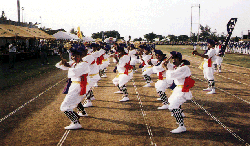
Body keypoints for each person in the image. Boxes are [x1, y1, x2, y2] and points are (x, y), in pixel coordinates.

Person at [55, 47, 90, 130]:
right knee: (70, 104)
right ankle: (75, 119)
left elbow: (75, 72)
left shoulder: (83, 64)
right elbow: (60, 66)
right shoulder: (75, 64)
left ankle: (76, 122)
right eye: (73, 56)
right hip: (75, 86)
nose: (74, 57)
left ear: (81, 56)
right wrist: (63, 63)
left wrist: (68, 66)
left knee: (64, 106)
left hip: (79, 86)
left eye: (76, 56)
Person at [163, 51, 194, 134]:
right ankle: (180, 113)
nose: (173, 60)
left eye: (175, 59)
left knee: (173, 106)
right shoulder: (179, 66)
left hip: (182, 90)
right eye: (173, 59)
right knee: (172, 102)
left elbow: (172, 75)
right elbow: (172, 68)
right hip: (179, 89)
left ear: (180, 59)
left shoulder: (184, 68)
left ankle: (181, 126)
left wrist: (166, 68)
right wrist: (167, 65)